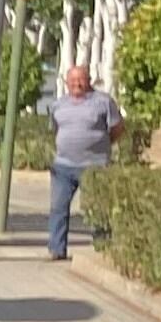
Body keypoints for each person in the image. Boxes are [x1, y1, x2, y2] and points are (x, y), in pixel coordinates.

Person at [44, 62, 121, 262]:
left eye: (80, 79)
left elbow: (118, 128)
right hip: (63, 166)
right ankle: (57, 249)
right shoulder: (58, 105)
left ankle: (103, 247)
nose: (76, 83)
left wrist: (101, 145)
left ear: (88, 81)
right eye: (72, 80)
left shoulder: (103, 102)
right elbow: (55, 130)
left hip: (94, 166)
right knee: (58, 208)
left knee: (96, 209)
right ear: (66, 83)